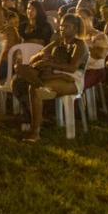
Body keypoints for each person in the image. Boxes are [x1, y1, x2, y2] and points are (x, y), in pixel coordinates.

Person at [16, 13, 88, 142]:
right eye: (61, 26)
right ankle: (42, 86)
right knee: (20, 68)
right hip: (53, 74)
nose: (63, 29)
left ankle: (35, 131)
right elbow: (35, 57)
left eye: (67, 26)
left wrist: (50, 63)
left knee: (34, 90)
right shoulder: (57, 43)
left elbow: (72, 68)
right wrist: (41, 58)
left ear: (75, 28)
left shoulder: (80, 45)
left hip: (71, 78)